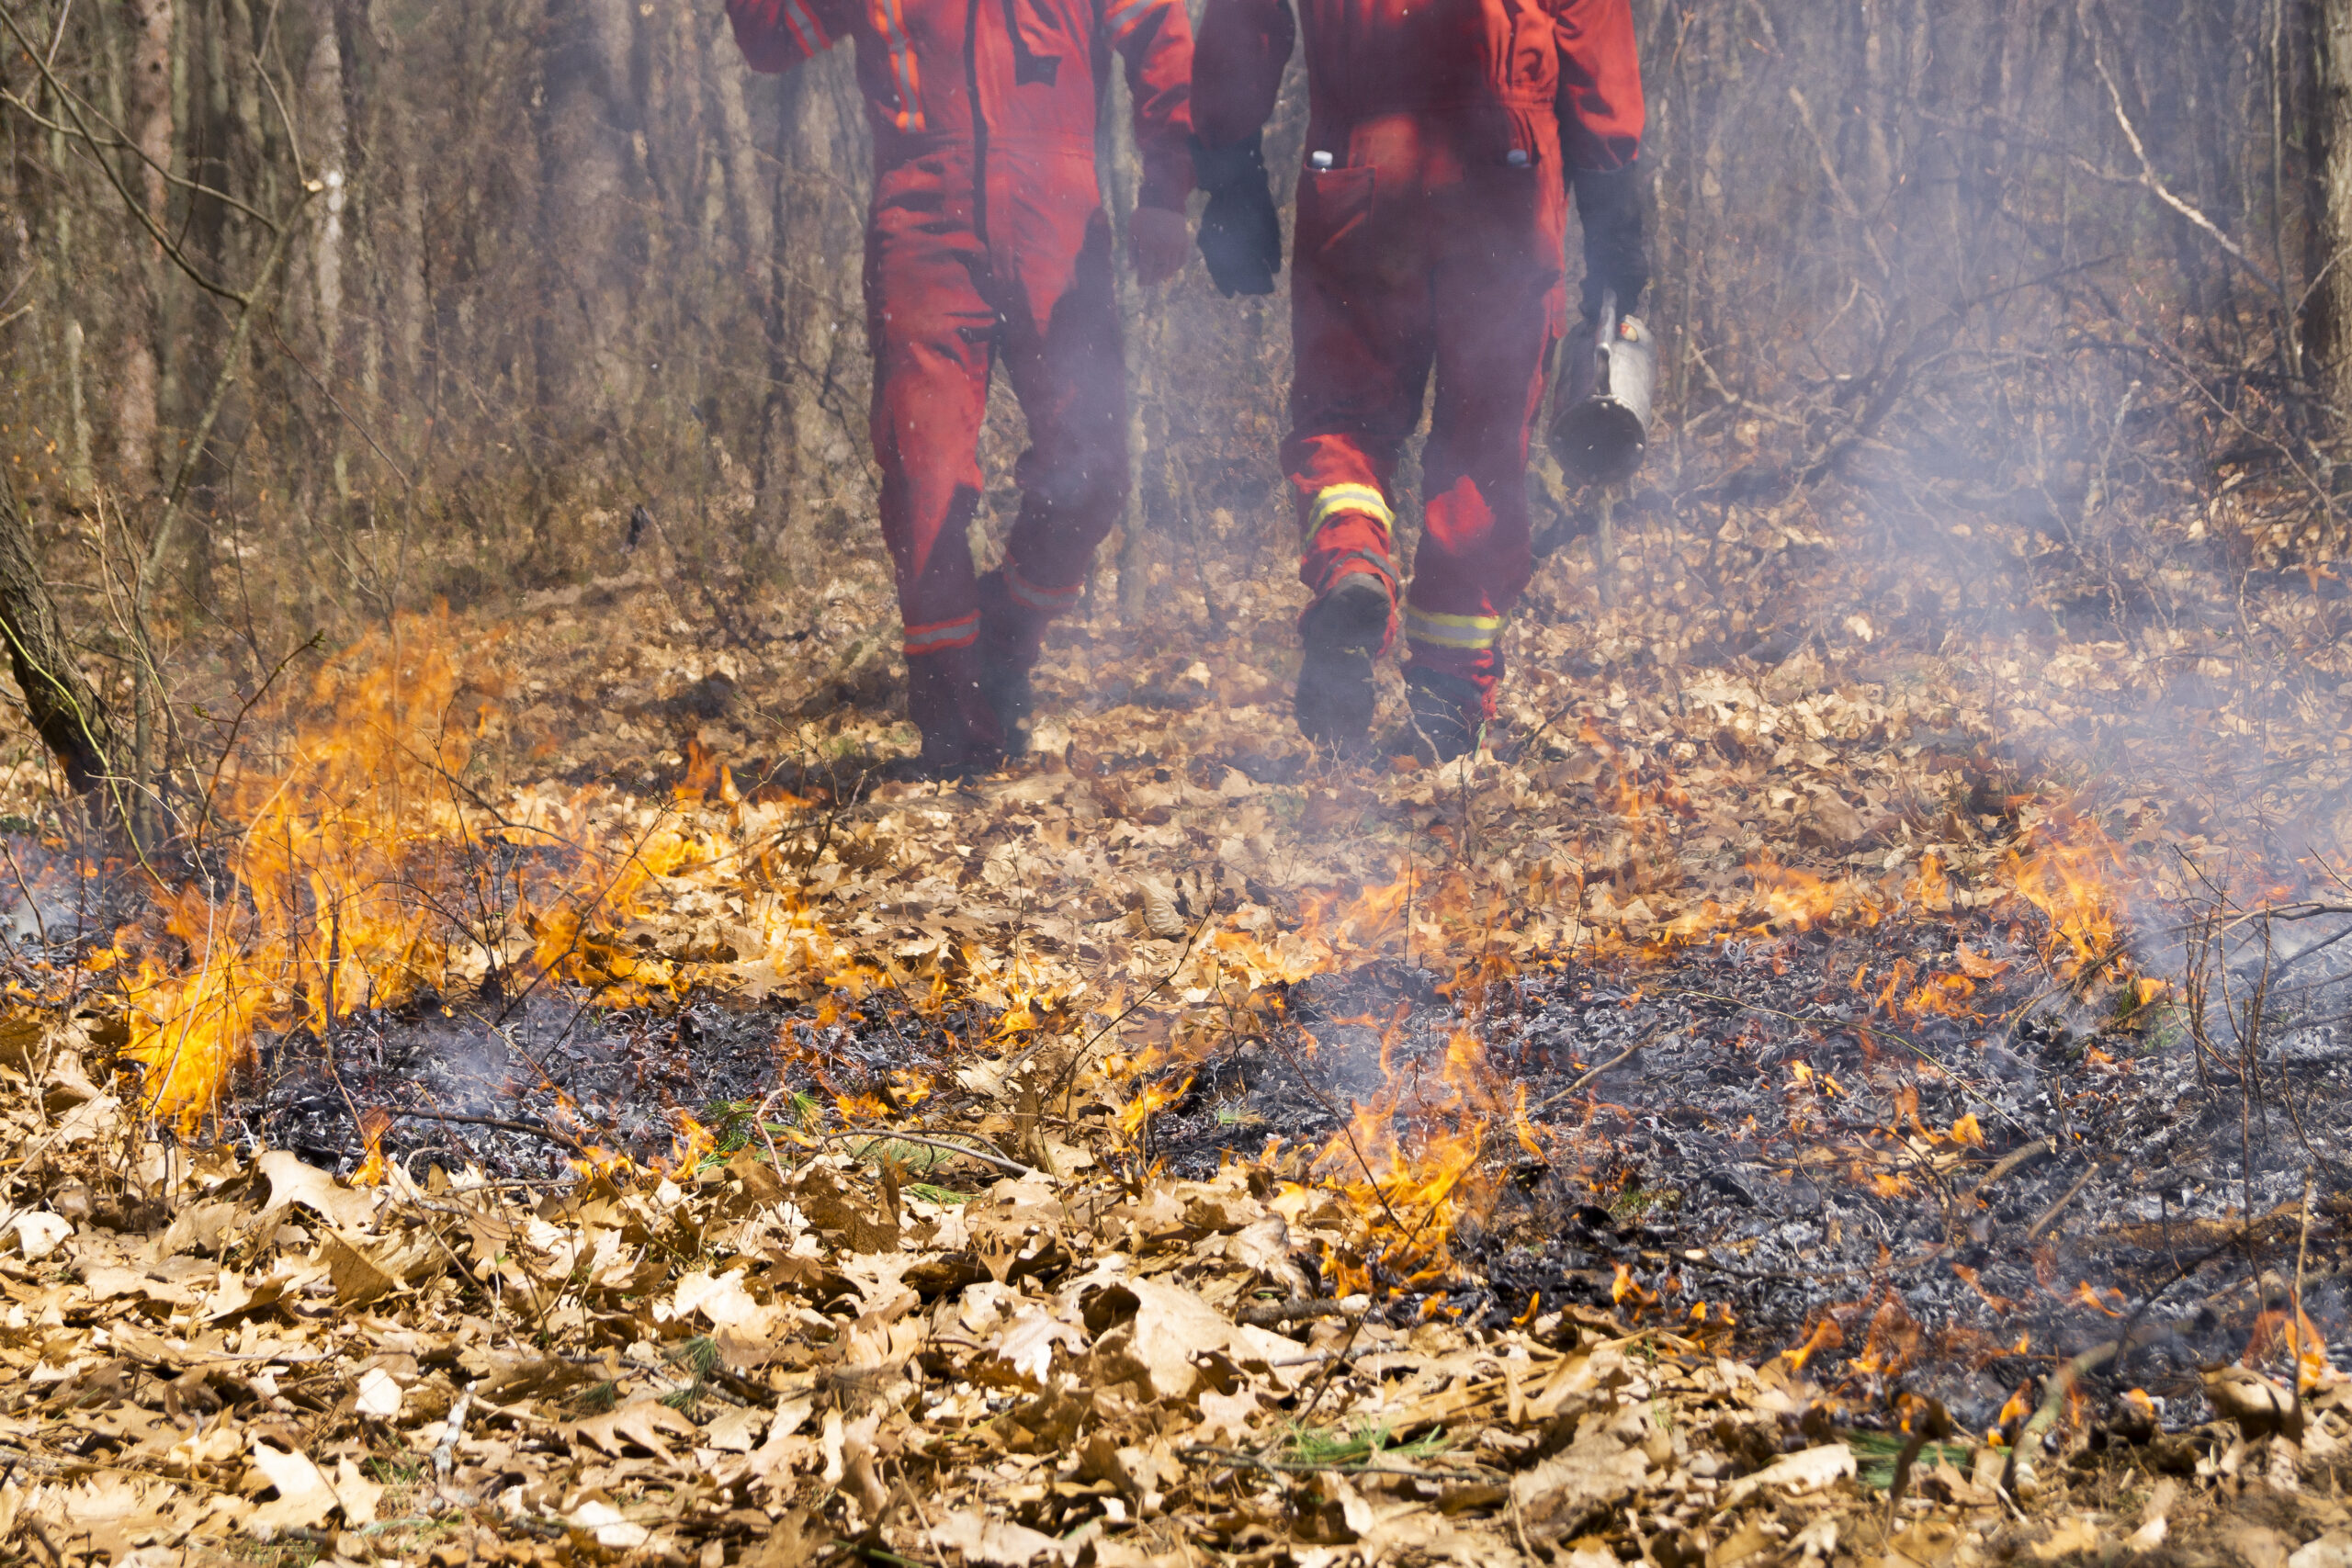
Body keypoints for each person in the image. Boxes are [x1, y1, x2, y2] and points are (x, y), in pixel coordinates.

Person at [727, 0, 1195, 773]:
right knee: (925, 477)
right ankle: (955, 722)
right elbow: (770, 37)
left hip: (1060, 211)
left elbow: (1159, 36)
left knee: (1098, 465)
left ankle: (1004, 637)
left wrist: (1168, 190)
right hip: (923, 218)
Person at [1189, 0, 1648, 759]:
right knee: (1484, 440)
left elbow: (1249, 17)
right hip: (1507, 174)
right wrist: (1613, 194)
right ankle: (1450, 696)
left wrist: (1230, 165)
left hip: (1360, 165)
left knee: (1343, 414)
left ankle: (1352, 563)